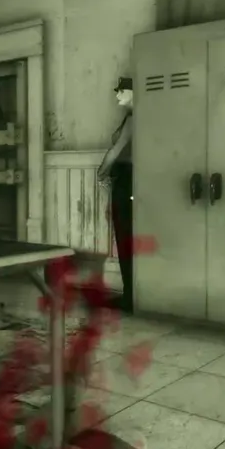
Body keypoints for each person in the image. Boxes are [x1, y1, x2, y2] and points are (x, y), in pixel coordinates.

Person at [97, 78, 134, 312]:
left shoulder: (133, 119)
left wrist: (101, 173)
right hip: (127, 181)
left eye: (122, 91)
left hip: (127, 181)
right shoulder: (130, 117)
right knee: (125, 237)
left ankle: (130, 296)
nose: (117, 95)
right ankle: (130, 294)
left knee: (125, 237)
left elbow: (116, 149)